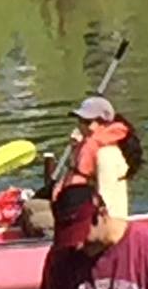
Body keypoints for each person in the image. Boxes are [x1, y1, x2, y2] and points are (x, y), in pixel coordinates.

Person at [49, 96, 141, 229]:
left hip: (88, 218)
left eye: (86, 121)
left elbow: (105, 197)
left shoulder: (106, 154)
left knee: (35, 218)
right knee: (32, 208)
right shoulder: (85, 145)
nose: (80, 125)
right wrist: (75, 149)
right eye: (80, 121)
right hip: (70, 205)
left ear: (102, 123)